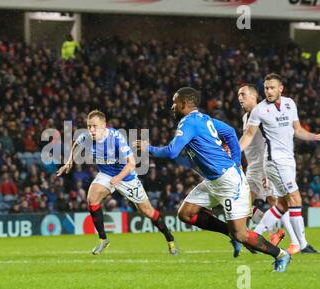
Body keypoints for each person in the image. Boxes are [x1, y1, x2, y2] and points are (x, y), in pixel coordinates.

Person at [135, 87, 291, 272]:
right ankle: (230, 234)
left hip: (228, 181)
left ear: (184, 103)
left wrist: (148, 148)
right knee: (186, 214)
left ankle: (280, 254)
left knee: (242, 234)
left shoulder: (188, 122)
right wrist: (235, 161)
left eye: (175, 102)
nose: (172, 106)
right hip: (214, 180)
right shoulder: (203, 118)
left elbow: (172, 152)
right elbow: (230, 132)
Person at [56, 110, 177, 255]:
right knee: (91, 198)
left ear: (104, 126)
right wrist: (69, 162)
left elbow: (131, 164)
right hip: (107, 174)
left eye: (95, 126)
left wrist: (118, 179)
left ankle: (170, 239)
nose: (91, 130)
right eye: (89, 126)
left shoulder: (116, 139)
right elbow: (76, 144)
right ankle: (103, 239)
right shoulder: (86, 137)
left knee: (147, 211)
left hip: (126, 177)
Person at [240, 73, 319, 254]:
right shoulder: (259, 110)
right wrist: (235, 152)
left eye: (272, 87)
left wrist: (314, 136)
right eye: (266, 88)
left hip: (288, 160)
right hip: (274, 161)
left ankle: (255, 236)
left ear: (280, 89)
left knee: (282, 205)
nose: (268, 91)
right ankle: (303, 245)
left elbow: (298, 130)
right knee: (295, 198)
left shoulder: (290, 104)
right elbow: (249, 135)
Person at [237, 83, 287, 245]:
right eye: (238, 95)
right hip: (252, 167)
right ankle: (275, 232)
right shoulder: (246, 117)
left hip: (265, 166)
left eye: (243, 95)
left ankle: (298, 240)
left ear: (253, 96)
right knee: (245, 205)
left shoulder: (264, 113)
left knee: (274, 201)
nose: (239, 98)